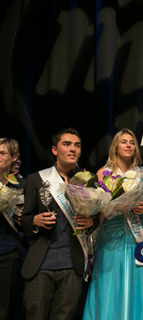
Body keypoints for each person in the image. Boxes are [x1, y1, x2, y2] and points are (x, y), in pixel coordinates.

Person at [82, 128, 143, 320]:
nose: (129, 145)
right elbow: (98, 210)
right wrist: (111, 207)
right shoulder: (102, 173)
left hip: (137, 238)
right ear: (115, 147)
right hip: (110, 237)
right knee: (108, 283)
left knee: (136, 283)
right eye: (124, 142)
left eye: (132, 142)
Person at [21, 128, 95, 320]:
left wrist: (91, 221)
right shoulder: (36, 179)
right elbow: (25, 220)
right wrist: (35, 220)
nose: (73, 149)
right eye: (67, 144)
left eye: (77, 146)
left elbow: (96, 220)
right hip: (41, 264)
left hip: (73, 263)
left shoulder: (88, 180)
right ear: (55, 150)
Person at [0, 137, 26, 319]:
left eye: (2, 153)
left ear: (14, 157)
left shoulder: (21, 185)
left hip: (8, 252)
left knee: (5, 307)